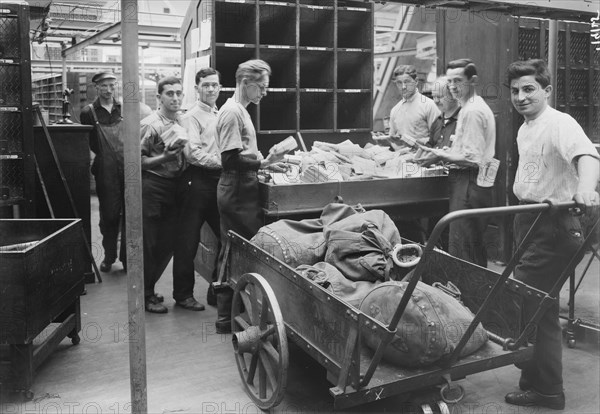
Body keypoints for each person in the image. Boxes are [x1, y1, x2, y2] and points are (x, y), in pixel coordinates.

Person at [503, 59, 599, 410]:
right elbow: (531, 173)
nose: (521, 96)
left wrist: (587, 188)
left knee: (536, 308)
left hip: (553, 223)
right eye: (515, 91)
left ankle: (547, 391)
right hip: (528, 219)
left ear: (546, 90)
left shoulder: (560, 123)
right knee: (531, 304)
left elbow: (587, 155)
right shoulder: (526, 127)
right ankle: (534, 381)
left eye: (529, 89)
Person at [214, 59, 287, 333]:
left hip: (242, 187)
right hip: (236, 190)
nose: (265, 93)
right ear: (246, 83)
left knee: (237, 249)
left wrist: (264, 160)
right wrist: (264, 164)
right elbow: (229, 160)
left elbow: (240, 153)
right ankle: (225, 318)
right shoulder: (232, 112)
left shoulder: (241, 110)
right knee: (235, 249)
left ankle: (232, 313)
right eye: (262, 87)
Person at [419, 58, 496, 267]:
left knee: (462, 249)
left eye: (458, 81)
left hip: (468, 183)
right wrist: (448, 151)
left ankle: (467, 297)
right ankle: (476, 295)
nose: (453, 87)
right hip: (471, 182)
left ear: (473, 81)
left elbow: (473, 159)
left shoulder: (471, 111)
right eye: (450, 81)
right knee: (471, 246)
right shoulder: (470, 107)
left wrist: (439, 155)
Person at [172, 68, 223, 311]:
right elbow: (192, 154)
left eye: (215, 85)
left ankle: (217, 289)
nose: (211, 89)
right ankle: (182, 295)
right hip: (196, 182)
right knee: (187, 242)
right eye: (206, 85)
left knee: (225, 237)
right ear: (197, 89)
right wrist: (224, 162)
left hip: (216, 182)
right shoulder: (190, 117)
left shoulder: (219, 113)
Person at [140, 76, 187, 314]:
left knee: (167, 243)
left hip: (175, 188)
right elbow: (137, 161)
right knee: (150, 243)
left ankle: (148, 288)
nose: (175, 98)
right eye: (170, 93)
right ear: (159, 97)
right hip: (153, 187)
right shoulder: (150, 124)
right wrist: (164, 158)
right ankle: (146, 295)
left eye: (179, 93)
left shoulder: (181, 121)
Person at [80, 72, 126, 273]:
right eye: (104, 86)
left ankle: (127, 258)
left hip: (127, 166)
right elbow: (89, 142)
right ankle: (109, 256)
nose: (109, 90)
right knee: (109, 214)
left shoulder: (124, 107)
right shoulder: (88, 112)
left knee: (131, 213)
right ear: (96, 87)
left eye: (112, 85)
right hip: (105, 170)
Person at [388, 65, 440, 146]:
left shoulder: (429, 105)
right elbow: (392, 139)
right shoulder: (395, 110)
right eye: (399, 83)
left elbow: (437, 139)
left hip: (422, 156)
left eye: (407, 82)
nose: (403, 87)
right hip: (400, 157)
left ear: (416, 81)